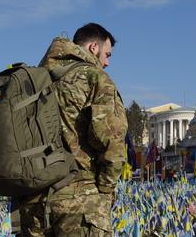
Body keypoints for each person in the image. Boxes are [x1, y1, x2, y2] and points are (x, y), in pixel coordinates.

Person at [19, 23, 128, 237]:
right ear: (93, 48)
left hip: (32, 202)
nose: (106, 62)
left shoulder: (33, 80)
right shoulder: (93, 77)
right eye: (107, 54)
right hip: (79, 202)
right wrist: (104, 191)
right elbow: (112, 143)